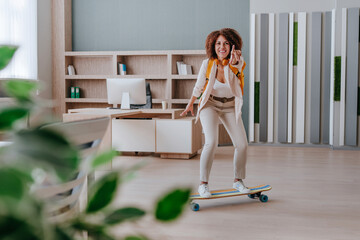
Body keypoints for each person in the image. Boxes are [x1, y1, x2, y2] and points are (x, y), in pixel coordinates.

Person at [180, 28, 250, 198]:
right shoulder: (207, 63)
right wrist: (190, 104)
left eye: (226, 43)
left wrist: (234, 63)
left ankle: (238, 181)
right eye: (218, 43)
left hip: (230, 106)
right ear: (213, 45)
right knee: (211, 142)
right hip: (210, 104)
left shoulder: (238, 62)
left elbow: (236, 76)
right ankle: (203, 184)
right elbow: (198, 86)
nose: (222, 47)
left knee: (242, 145)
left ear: (232, 45)